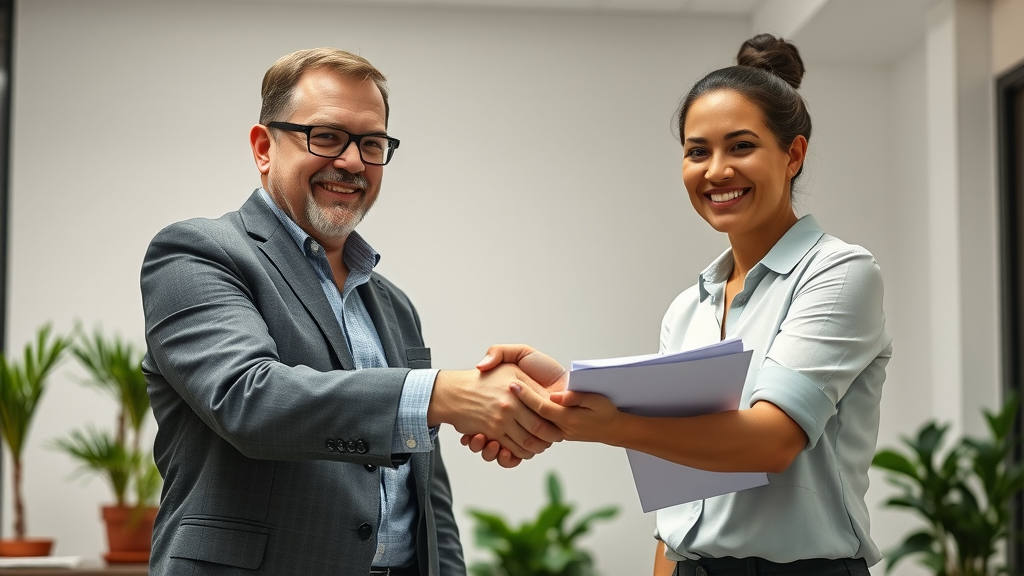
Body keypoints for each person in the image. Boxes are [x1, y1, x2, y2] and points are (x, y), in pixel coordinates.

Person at [469, 34, 892, 576]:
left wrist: (606, 423)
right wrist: (569, 391)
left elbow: (769, 443)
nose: (716, 171)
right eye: (697, 152)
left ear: (794, 155)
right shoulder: (687, 309)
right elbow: (683, 487)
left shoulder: (839, 274)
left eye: (741, 146)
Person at [140, 48, 561, 576]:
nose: (353, 162)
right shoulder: (197, 252)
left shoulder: (393, 303)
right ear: (264, 147)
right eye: (327, 137)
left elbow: (426, 496)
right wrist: (443, 394)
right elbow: (248, 400)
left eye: (372, 143)